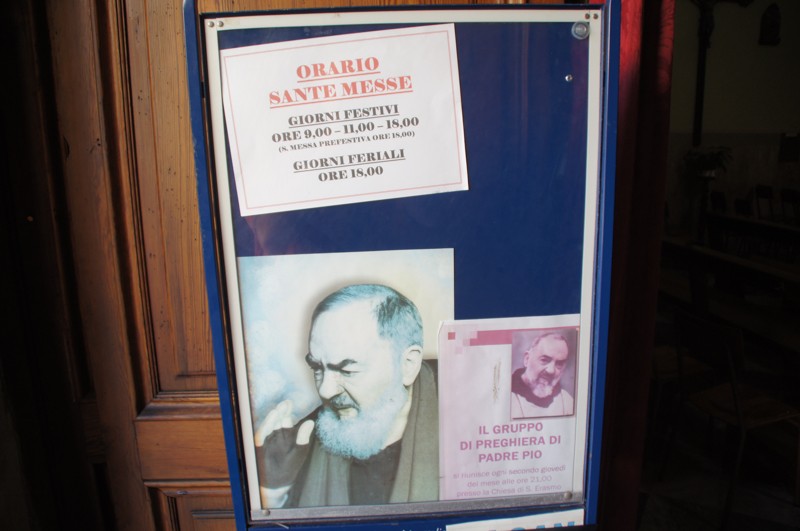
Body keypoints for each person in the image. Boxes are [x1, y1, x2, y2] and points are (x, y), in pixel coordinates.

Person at [254, 284, 438, 508]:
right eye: (317, 368)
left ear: (408, 365)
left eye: (347, 370)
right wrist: (273, 490)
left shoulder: (468, 416)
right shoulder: (295, 446)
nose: (325, 391)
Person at [510, 332, 574, 418]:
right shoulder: (506, 397)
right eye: (544, 360)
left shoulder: (567, 402)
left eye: (559, 364)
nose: (551, 370)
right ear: (527, 359)